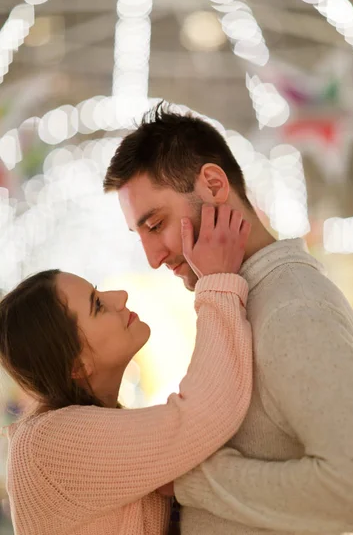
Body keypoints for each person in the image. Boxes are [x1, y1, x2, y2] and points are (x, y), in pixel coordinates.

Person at [104, 102, 353, 535]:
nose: (152, 258)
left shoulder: (292, 308)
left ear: (213, 183)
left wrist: (191, 478)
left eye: (156, 224)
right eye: (141, 235)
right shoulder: (248, 299)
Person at [0, 204, 253, 535]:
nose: (119, 295)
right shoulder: (51, 446)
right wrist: (218, 282)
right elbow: (202, 417)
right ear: (77, 364)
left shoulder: (71, 430)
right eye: (98, 305)